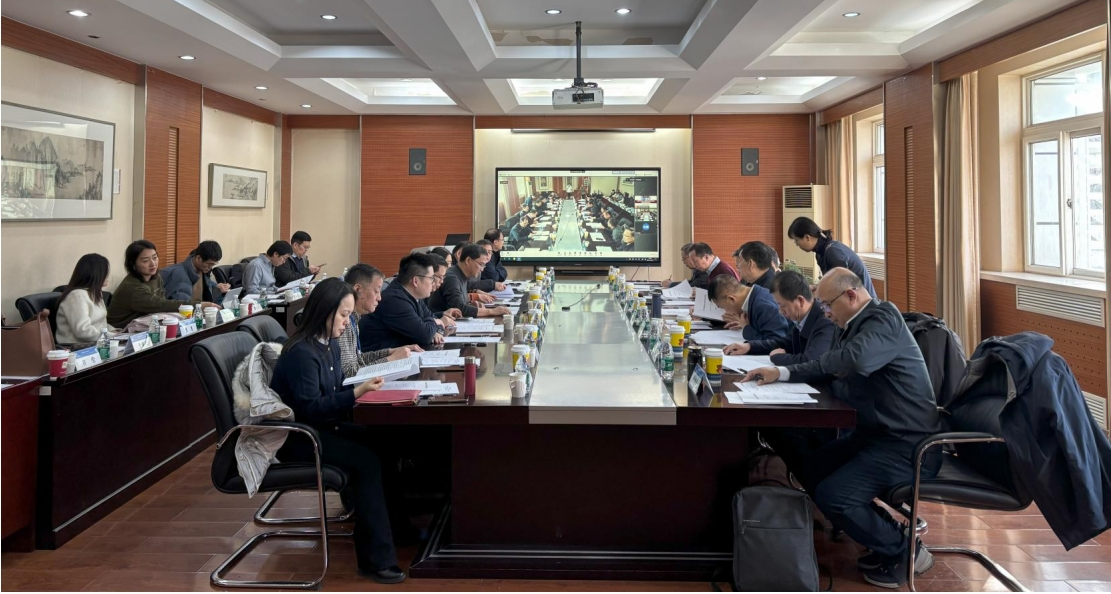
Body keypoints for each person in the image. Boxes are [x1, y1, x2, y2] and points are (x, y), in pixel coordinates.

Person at [741, 268, 942, 588]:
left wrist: (787, 371)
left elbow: (853, 360)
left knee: (834, 495)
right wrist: (782, 373)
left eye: (827, 304)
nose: (824, 312)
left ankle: (906, 551)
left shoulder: (883, 319)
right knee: (813, 468)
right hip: (873, 435)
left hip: (907, 444)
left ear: (851, 295)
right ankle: (889, 535)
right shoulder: (851, 324)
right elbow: (830, 363)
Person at [269, 278, 406, 584]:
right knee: (366, 462)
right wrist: (357, 393)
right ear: (325, 312)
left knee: (384, 444)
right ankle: (376, 559)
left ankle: (397, 529)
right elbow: (312, 408)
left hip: (322, 427)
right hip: (300, 438)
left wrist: (361, 389)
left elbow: (332, 392)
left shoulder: (327, 343)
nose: (347, 322)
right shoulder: (302, 352)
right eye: (344, 315)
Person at [722, 270, 835, 366]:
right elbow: (784, 343)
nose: (780, 311)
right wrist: (749, 346)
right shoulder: (803, 318)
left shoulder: (824, 321)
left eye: (782, 305)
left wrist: (778, 357)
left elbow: (811, 362)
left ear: (800, 300)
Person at [107, 240, 219, 328]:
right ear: (133, 264)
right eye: (145, 261)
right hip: (121, 331)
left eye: (155, 258)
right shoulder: (132, 287)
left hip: (146, 324)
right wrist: (199, 305)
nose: (153, 264)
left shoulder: (156, 277)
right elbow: (160, 304)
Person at [339, 264, 423, 378]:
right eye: (376, 291)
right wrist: (391, 359)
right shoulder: (344, 323)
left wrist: (391, 352)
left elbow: (358, 359)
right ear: (358, 290)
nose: (379, 298)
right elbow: (349, 373)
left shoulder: (354, 317)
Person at [359, 253, 445, 351]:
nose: (433, 283)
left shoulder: (414, 296)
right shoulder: (394, 300)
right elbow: (426, 336)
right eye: (431, 278)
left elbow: (435, 320)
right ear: (416, 281)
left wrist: (436, 328)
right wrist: (433, 322)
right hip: (378, 357)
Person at [787, 217, 878, 300]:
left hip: (863, 303)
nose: (797, 244)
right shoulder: (821, 252)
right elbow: (831, 283)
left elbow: (841, 285)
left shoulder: (833, 251)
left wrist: (816, 293)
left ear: (807, 237)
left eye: (796, 240)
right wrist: (816, 287)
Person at [430, 244, 510, 319]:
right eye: (481, 264)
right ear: (468, 260)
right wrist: (491, 311)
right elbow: (458, 307)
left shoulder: (460, 274)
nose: (482, 269)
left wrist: (470, 305)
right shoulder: (452, 277)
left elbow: (458, 302)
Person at [708, 275, 789, 346]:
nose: (726, 312)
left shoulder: (762, 306)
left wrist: (747, 329)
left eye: (723, 307)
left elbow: (776, 343)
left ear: (731, 299)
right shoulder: (755, 296)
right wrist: (748, 325)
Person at [56, 253, 113, 344]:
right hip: (77, 346)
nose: (107, 276)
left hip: (98, 342)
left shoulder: (95, 293)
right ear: (96, 274)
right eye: (105, 273)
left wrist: (118, 332)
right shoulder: (76, 296)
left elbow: (101, 324)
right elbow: (83, 331)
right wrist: (112, 336)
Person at [160, 240, 229, 304]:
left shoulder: (203, 270)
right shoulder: (179, 275)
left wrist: (217, 287)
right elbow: (181, 306)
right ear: (198, 258)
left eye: (213, 264)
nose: (210, 267)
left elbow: (206, 286)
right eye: (209, 264)